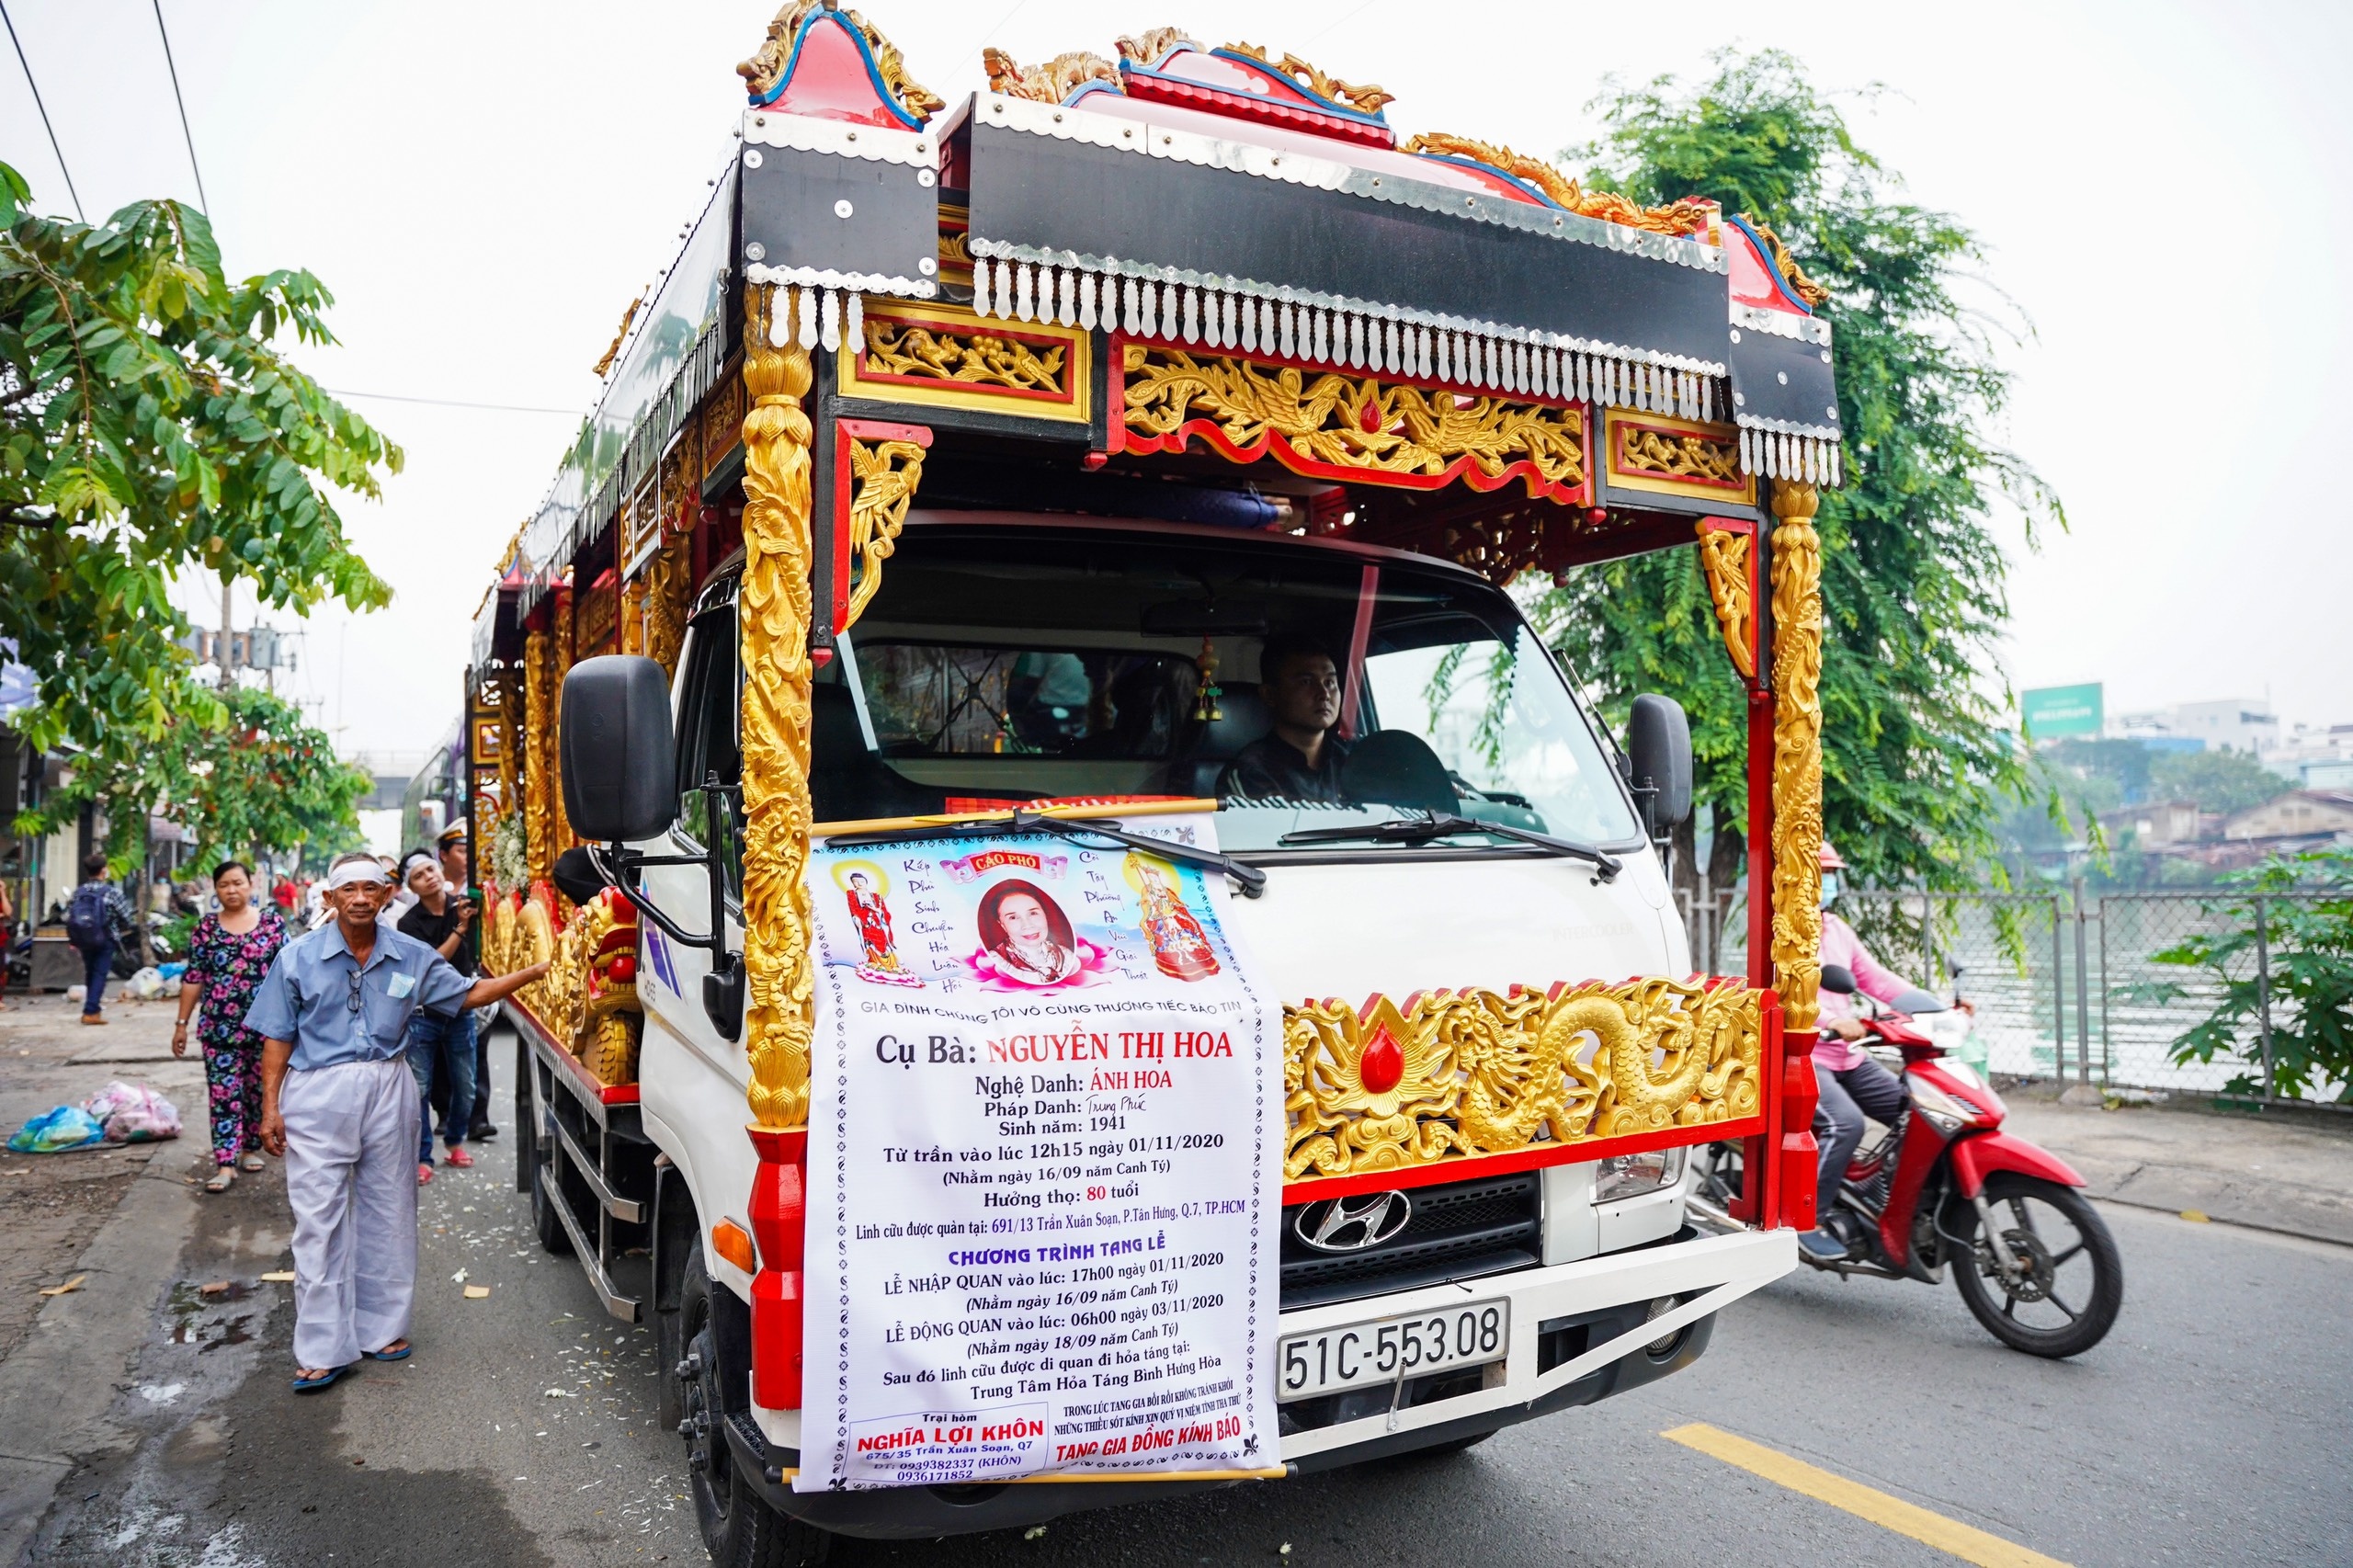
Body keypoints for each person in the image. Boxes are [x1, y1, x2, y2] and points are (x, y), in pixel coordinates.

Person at [250, 852, 547, 1393]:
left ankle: (381, 1329)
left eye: (372, 889)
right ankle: (321, 1346)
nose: (361, 898)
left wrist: (536, 971)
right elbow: (277, 1036)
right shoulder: (297, 958)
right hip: (317, 1090)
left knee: (391, 1206)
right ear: (329, 899)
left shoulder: (410, 955)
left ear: (387, 897)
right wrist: (270, 1107)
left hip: (390, 1082)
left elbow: (465, 996)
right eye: (349, 890)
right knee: (318, 1219)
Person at [1799, 842, 1973, 1261]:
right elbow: (1785, 995)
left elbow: (1875, 980)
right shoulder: (1784, 934)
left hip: (1850, 1055)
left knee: (1918, 1112)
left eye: (1832, 874)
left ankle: (1887, 1199)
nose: (1829, 883)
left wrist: (1934, 1008)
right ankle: (1809, 1219)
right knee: (1846, 1125)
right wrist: (1829, 1022)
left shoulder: (1836, 929)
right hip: (1810, 1056)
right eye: (1822, 874)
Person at [172, 860, 292, 1193]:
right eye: (225, 884)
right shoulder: (206, 928)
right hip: (219, 1028)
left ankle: (250, 1147)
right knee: (224, 1094)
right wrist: (181, 1024)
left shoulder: (271, 923)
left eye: (238, 883)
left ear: (250, 885)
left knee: (258, 1091)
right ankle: (225, 1162)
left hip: (266, 1029)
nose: (232, 890)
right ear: (216, 889)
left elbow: (290, 973)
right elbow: (194, 978)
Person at [397, 851, 479, 1183]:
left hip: (461, 1010)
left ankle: (456, 1141)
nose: (428, 876)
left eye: (430, 869)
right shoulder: (409, 922)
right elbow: (430, 964)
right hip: (424, 1014)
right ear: (412, 887)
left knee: (467, 1085)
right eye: (419, 875)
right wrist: (460, 929)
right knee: (419, 1089)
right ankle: (423, 1156)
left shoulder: (465, 903)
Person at [1217, 633, 1352, 803]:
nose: (1324, 694)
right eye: (1306, 682)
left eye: (1330, 682)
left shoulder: (1352, 759)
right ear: (1270, 695)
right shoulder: (1251, 771)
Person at [438, 823, 497, 1142]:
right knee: (443, 1055)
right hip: (445, 986)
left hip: (478, 978)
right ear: (444, 855)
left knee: (478, 1050)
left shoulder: (484, 890)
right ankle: (448, 1115)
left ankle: (478, 1118)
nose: (468, 857)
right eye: (461, 850)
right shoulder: (435, 895)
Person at [63, 851, 135, 1026]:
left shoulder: (78, 892)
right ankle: (90, 1011)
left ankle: (93, 1008)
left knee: (90, 972)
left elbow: (69, 915)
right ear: (104, 870)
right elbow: (126, 917)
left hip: (83, 938)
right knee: (100, 973)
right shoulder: (111, 893)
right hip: (105, 938)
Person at [977, 880, 1079, 984]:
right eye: (1013, 917)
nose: (1027, 925)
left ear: (1045, 915)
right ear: (1003, 925)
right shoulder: (995, 962)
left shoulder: (1066, 956)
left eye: (1033, 913)